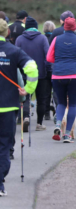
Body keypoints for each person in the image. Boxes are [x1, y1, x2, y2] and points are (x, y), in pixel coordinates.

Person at [0, 19, 38, 197]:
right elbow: (32, 68)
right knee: (4, 146)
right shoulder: (14, 51)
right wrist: (28, 90)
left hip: (7, 107)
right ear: (7, 32)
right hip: (7, 107)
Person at [46, 17, 76, 143]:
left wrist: (60, 62)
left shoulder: (56, 39)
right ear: (75, 27)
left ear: (64, 26)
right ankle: (67, 135)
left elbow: (49, 57)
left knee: (61, 103)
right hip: (75, 75)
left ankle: (58, 125)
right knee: (72, 104)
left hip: (58, 75)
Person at [15, 16, 50, 131]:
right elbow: (48, 56)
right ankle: (39, 123)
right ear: (36, 27)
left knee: (26, 96)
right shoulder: (43, 38)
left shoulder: (20, 39)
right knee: (41, 99)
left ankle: (25, 117)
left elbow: (16, 56)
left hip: (24, 73)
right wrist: (47, 68)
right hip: (41, 74)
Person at [43, 21, 56, 121]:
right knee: (56, 91)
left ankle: (46, 112)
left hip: (45, 68)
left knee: (46, 92)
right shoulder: (55, 39)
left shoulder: (42, 39)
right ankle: (57, 109)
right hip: (54, 68)